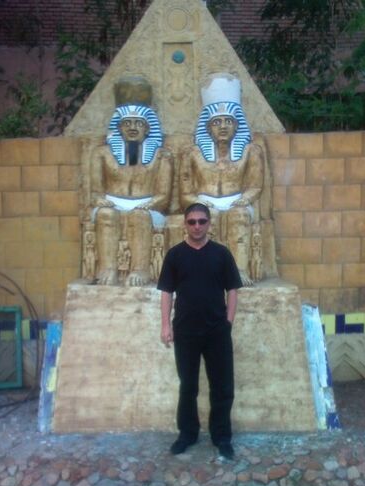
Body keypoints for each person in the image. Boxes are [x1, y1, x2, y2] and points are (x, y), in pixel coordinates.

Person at [157, 203, 243, 460]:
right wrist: (165, 325)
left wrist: (228, 322)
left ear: (209, 223)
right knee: (188, 386)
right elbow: (166, 292)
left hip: (217, 331)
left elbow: (233, 290)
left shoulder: (221, 254)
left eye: (201, 221)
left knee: (222, 386)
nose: (197, 226)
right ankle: (187, 434)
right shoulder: (175, 255)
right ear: (185, 224)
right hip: (185, 331)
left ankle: (222, 437)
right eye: (192, 221)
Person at [179, 73, 265, 286]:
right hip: (204, 200)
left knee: (238, 214)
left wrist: (244, 199)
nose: (223, 126)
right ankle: (207, 272)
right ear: (208, 128)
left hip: (237, 200)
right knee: (208, 216)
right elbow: (185, 191)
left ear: (237, 125)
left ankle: (239, 270)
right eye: (217, 122)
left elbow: (255, 186)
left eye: (228, 121)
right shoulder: (193, 153)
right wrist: (199, 202)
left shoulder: (250, 151)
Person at [88, 76, 173, 286]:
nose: (133, 127)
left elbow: (163, 196)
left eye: (138, 123)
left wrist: (148, 205)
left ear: (148, 128)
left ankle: (140, 269)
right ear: (118, 128)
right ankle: (107, 268)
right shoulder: (102, 154)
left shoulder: (161, 155)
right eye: (127, 123)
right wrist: (101, 201)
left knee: (139, 215)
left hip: (146, 206)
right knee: (106, 214)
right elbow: (96, 192)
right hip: (112, 203)